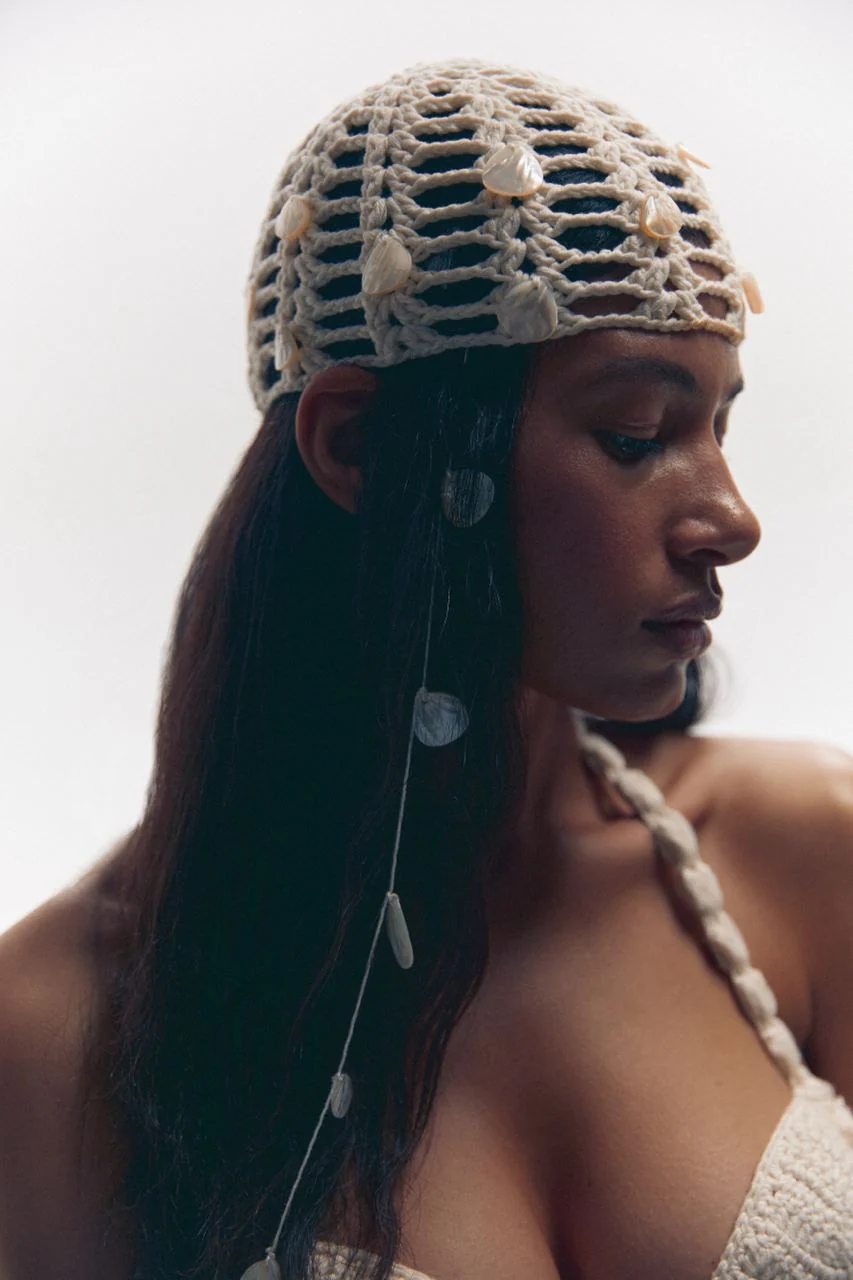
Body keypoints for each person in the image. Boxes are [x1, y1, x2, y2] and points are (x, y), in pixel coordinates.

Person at [1, 57, 852, 1280]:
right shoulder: (62, 1026)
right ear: (355, 446)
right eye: (635, 433)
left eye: (720, 425)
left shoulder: (807, 855)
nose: (731, 516)